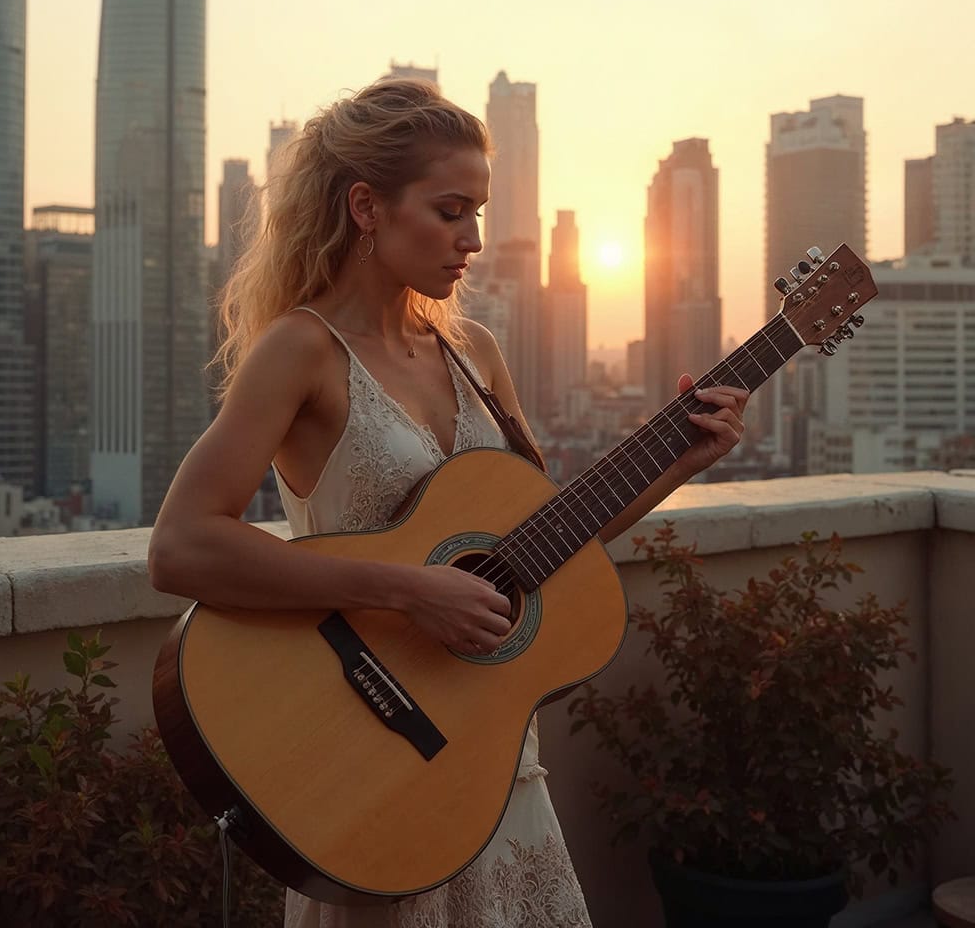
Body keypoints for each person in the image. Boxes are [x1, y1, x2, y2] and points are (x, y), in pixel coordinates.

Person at [148, 77, 749, 927]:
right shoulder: (301, 351)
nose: (474, 239)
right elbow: (180, 548)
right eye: (450, 210)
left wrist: (682, 460)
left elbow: (553, 539)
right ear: (367, 206)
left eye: (479, 212)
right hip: (368, 760)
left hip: (493, 764)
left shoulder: (475, 351)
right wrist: (409, 588)